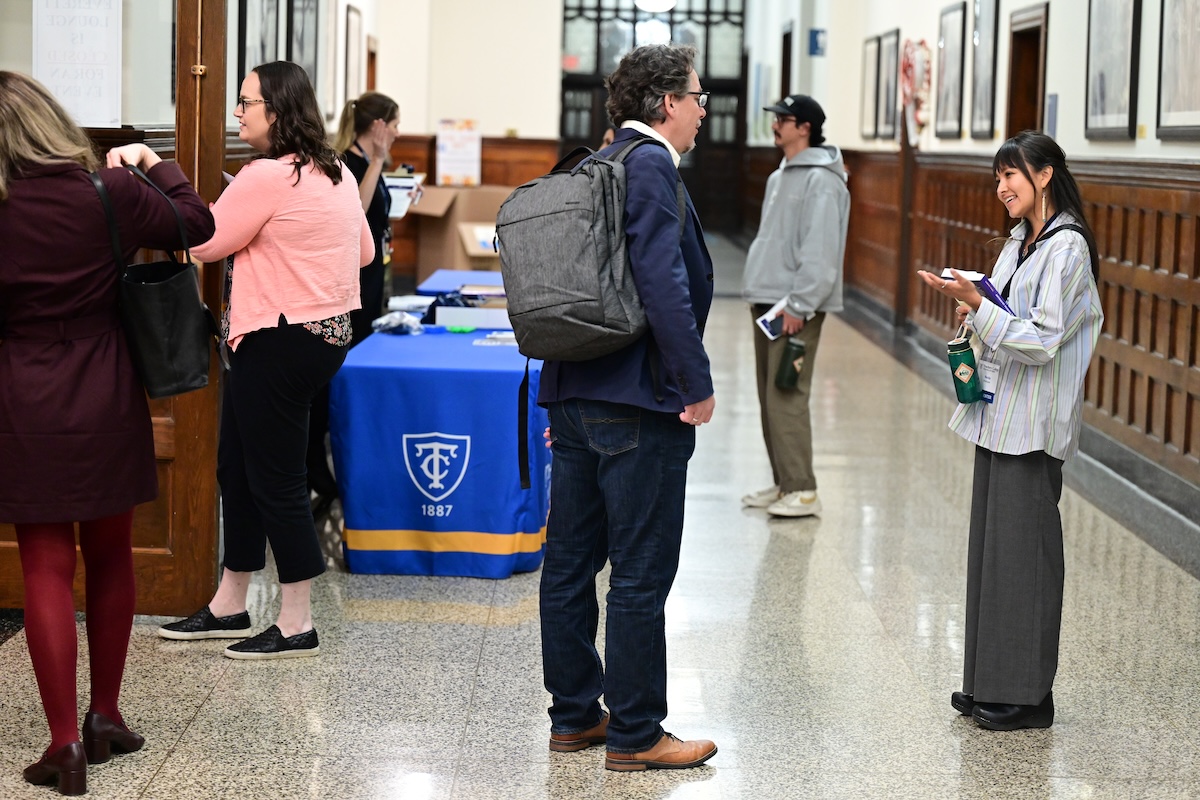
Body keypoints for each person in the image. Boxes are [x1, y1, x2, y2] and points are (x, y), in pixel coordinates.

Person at [0, 71, 214, 794]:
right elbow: (197, 222)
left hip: (21, 395)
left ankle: (63, 745)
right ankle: (106, 717)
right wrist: (150, 159)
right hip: (105, 390)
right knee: (113, 553)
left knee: (45, 567)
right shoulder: (105, 193)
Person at [537, 43, 718, 772]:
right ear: (666, 103)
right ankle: (638, 731)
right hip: (635, 402)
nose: (703, 111)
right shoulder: (649, 167)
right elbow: (663, 282)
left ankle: (576, 715)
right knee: (641, 572)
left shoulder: (594, 162)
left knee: (570, 564)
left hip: (575, 391)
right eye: (697, 98)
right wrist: (694, 381)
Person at [157, 62, 374, 660]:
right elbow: (364, 251)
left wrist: (163, 173)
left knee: (275, 480)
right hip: (321, 338)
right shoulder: (332, 172)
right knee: (237, 466)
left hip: (276, 340)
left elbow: (202, 244)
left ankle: (298, 620)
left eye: (246, 102)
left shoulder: (264, 176)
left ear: (275, 111)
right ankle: (230, 601)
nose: (238, 112)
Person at [917, 130, 1103, 731]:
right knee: (993, 555)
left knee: (1025, 559)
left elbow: (1043, 341)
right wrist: (973, 302)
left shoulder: (1067, 248)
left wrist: (983, 306)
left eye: (1011, 176)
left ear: (1045, 175)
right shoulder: (1022, 240)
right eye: (997, 178)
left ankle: (1027, 697)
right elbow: (1004, 312)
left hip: (1034, 422)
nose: (1001, 188)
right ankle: (986, 682)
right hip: (999, 417)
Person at [741, 94, 849, 518]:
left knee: (787, 393)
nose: (775, 126)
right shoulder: (780, 175)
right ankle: (784, 481)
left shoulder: (822, 179)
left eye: (783, 120)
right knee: (769, 395)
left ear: (805, 127)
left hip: (793, 306)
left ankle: (803, 489)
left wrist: (800, 305)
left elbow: (820, 251)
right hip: (767, 300)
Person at [304, 92, 401, 503]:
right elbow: (353, 218)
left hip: (371, 284)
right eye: (394, 123)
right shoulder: (346, 162)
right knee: (331, 386)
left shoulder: (368, 163)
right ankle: (316, 472)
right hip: (349, 291)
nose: (398, 132)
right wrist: (378, 160)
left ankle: (338, 467)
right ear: (378, 126)